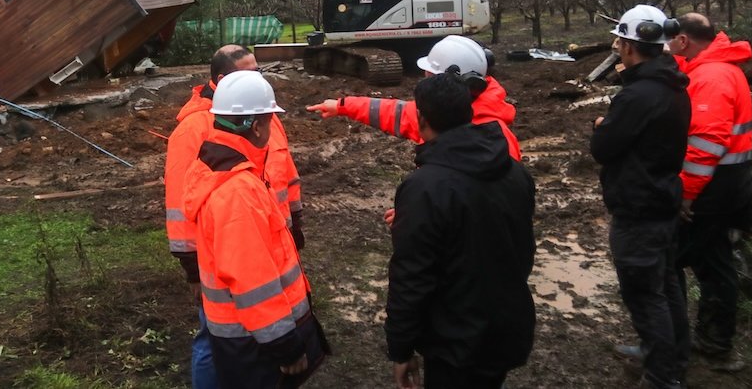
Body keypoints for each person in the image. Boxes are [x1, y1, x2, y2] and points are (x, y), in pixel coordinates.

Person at [384, 72, 536, 389]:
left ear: (421, 118)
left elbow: (412, 276)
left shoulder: (425, 188)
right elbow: (521, 250)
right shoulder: (514, 171)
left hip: (454, 342)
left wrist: (401, 348)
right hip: (507, 329)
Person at [164, 44, 303, 388]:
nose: (257, 77)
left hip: (269, 245)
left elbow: (285, 172)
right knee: (216, 337)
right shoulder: (198, 128)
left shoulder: (259, 112)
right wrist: (192, 267)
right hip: (228, 252)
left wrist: (294, 228)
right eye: (249, 72)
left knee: (254, 336)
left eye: (258, 71)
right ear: (224, 79)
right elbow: (181, 202)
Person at [183, 70, 328, 388]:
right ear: (258, 125)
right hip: (254, 345)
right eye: (270, 119)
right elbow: (252, 283)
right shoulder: (237, 192)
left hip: (243, 337)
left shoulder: (219, 166)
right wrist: (286, 347)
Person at [590, 4, 691, 389]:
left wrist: (601, 126)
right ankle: (673, 358)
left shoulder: (638, 96)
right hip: (663, 197)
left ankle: (662, 376)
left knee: (646, 296)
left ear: (631, 47)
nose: (616, 47)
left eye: (619, 41)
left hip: (639, 206)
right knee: (665, 288)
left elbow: (604, 147)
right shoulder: (673, 85)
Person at [667, 12, 752, 372]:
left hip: (712, 187)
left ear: (684, 41)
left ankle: (672, 346)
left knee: (669, 261)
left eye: (673, 41)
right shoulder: (725, 67)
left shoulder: (711, 77)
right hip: (732, 182)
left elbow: (705, 144)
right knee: (715, 263)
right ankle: (716, 343)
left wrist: (685, 195)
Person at [306, 35, 521, 160]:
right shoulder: (438, 113)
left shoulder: (497, 143)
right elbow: (393, 113)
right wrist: (342, 106)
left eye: (429, 75)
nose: (424, 79)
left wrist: (415, 214)